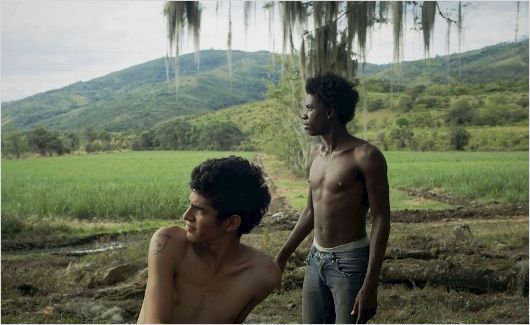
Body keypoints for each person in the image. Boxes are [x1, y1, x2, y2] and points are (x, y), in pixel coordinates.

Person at [275, 73, 390, 324]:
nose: (304, 115)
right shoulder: (315, 154)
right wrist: (282, 255)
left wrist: (370, 284)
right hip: (315, 259)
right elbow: (309, 212)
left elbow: (381, 218)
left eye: (309, 107)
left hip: (350, 261)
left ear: (329, 112)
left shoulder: (366, 156)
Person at [137, 156, 281, 324]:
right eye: (189, 205)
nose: (186, 216)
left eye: (199, 210)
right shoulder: (169, 245)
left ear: (231, 222)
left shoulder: (264, 275)